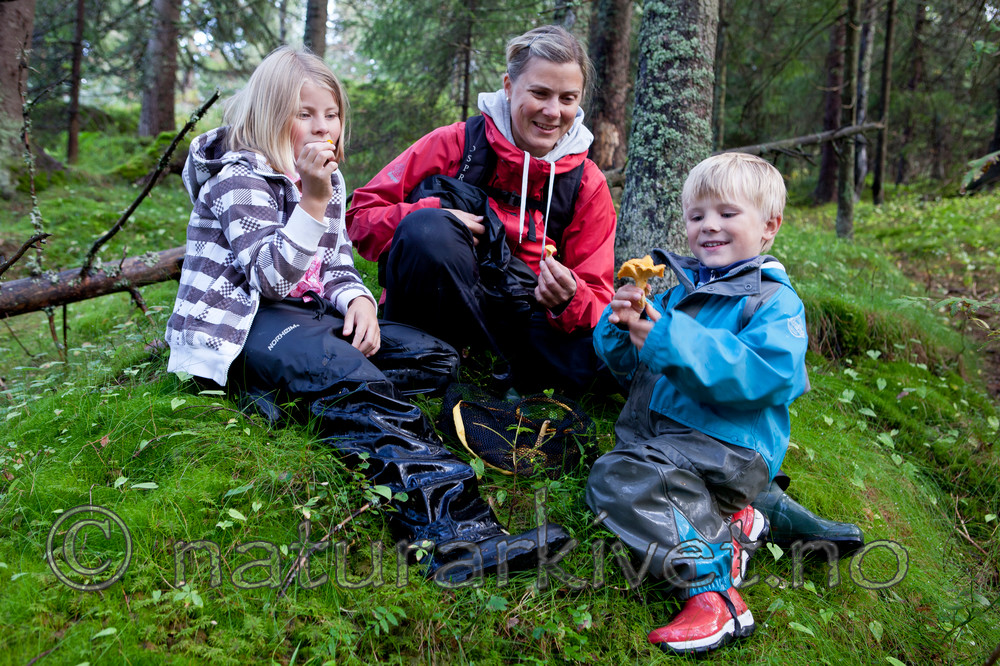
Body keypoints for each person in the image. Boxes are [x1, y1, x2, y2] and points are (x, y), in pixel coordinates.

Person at [164, 46, 568, 584]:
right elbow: (271, 278)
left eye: (330, 115)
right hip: (241, 325)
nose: (321, 127)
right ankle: (451, 536)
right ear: (268, 111)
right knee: (343, 372)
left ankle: (310, 401)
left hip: (304, 318)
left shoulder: (324, 178)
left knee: (431, 358)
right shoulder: (237, 178)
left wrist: (356, 300)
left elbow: (334, 263)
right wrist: (309, 200)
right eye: (304, 113)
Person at [585, 153, 812, 655]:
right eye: (696, 216)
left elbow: (762, 374)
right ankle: (733, 520)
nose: (709, 226)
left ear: (769, 226)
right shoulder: (684, 293)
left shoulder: (771, 301)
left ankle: (714, 593)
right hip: (673, 446)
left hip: (726, 449)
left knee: (619, 478)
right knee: (634, 470)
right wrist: (622, 325)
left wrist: (667, 338)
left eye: (727, 214)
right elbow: (636, 373)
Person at [346, 25, 616, 395]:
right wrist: (433, 213)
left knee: (611, 356)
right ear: (508, 86)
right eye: (539, 93)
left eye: (568, 98)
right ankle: (467, 365)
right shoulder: (457, 143)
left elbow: (599, 296)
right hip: (436, 303)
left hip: (521, 316)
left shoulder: (587, 183)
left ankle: (479, 368)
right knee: (429, 230)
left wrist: (569, 297)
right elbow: (361, 215)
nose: (553, 112)